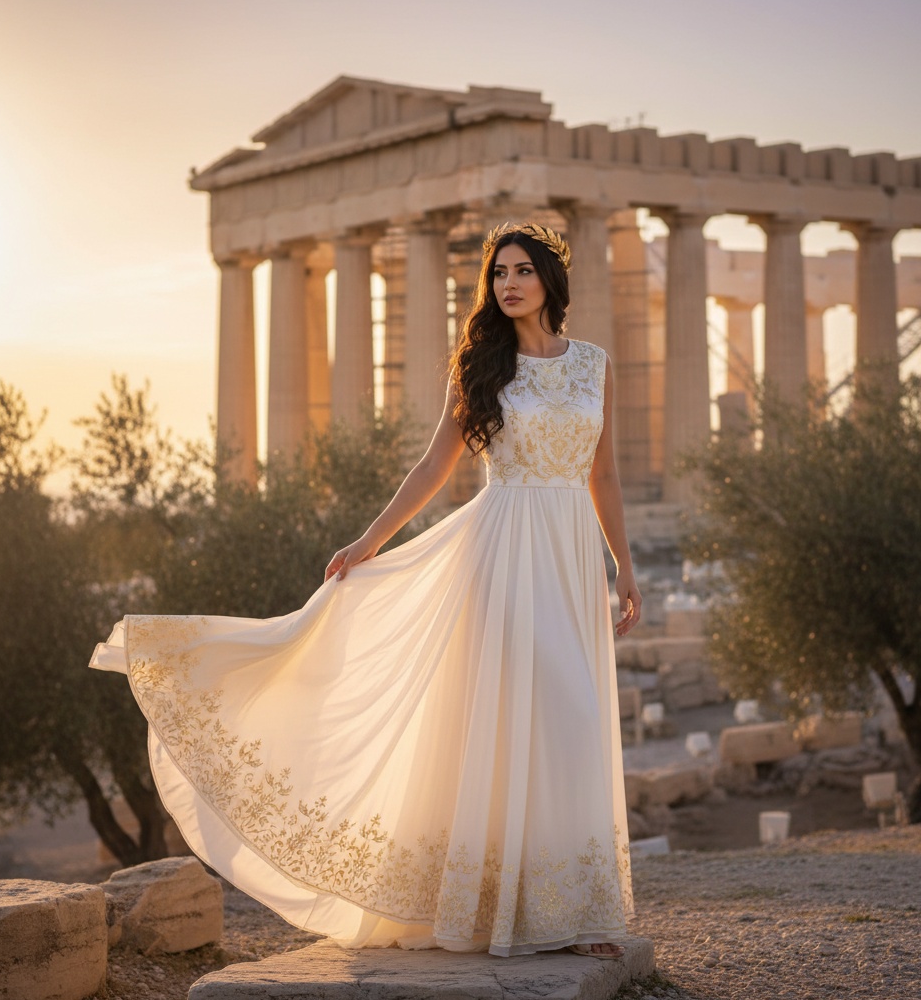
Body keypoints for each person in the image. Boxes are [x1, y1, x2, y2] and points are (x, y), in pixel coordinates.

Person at [90, 220, 641, 960]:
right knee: (516, 719)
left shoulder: (595, 366)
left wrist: (624, 566)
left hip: (571, 555)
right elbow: (433, 468)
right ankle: (507, 912)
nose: (508, 283)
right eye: (498, 273)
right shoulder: (482, 365)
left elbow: (603, 475)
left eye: (521, 271)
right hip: (502, 551)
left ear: (549, 279)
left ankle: (564, 910)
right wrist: (370, 540)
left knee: (570, 718)